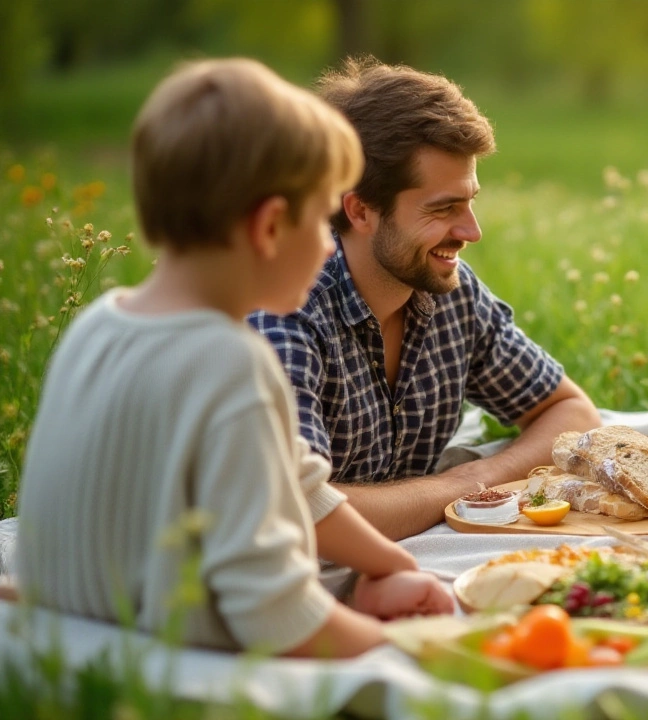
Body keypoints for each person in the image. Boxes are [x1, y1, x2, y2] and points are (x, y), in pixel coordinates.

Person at [16, 59, 452, 658]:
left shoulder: (100, 323)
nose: (330, 245)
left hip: (64, 635)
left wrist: (392, 565)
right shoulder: (229, 362)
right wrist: (409, 650)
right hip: (176, 662)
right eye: (322, 218)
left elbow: (297, 479)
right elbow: (275, 612)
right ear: (271, 227)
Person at [250, 57, 600, 540]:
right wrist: (459, 488)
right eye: (444, 208)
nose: (472, 231)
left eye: (470, 200)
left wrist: (469, 481)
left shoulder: (450, 290)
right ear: (360, 210)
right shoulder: (285, 315)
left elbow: (572, 414)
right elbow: (300, 514)